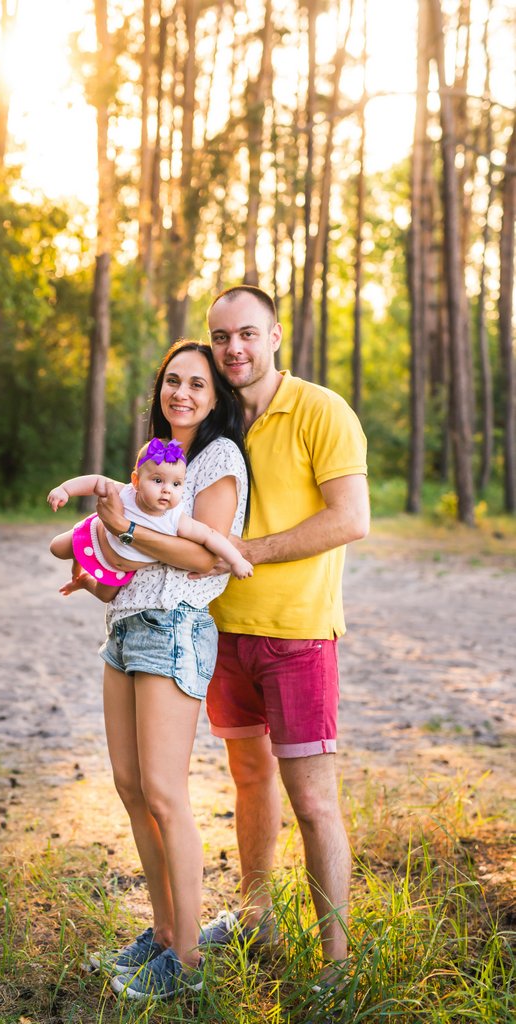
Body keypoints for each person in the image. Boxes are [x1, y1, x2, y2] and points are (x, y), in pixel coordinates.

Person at [196, 286, 370, 1008]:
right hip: (222, 632)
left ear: (274, 336)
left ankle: (337, 966)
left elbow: (351, 518)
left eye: (246, 334)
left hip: (297, 636)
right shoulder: (212, 417)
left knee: (314, 802)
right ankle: (257, 918)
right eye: (220, 337)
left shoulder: (322, 410)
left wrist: (249, 551)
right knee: (248, 780)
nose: (233, 348)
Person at [62, 339, 250, 1001]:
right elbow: (129, 564)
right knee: (130, 786)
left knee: (165, 794)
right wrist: (97, 580)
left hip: (173, 628)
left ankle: (188, 961)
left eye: (197, 383)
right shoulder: (154, 460)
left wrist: (124, 530)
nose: (182, 393)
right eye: (172, 380)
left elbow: (203, 557)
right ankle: (165, 932)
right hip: (125, 627)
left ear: (216, 395)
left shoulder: (219, 458)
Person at [46, 437, 252, 599]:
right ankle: (77, 558)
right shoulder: (125, 493)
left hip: (116, 569)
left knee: (105, 595)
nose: (167, 490)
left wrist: (236, 560)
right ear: (136, 481)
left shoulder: (175, 519)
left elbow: (210, 535)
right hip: (95, 539)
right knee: (57, 548)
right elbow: (96, 482)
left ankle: (83, 582)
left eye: (176, 484)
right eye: (158, 480)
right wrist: (65, 490)